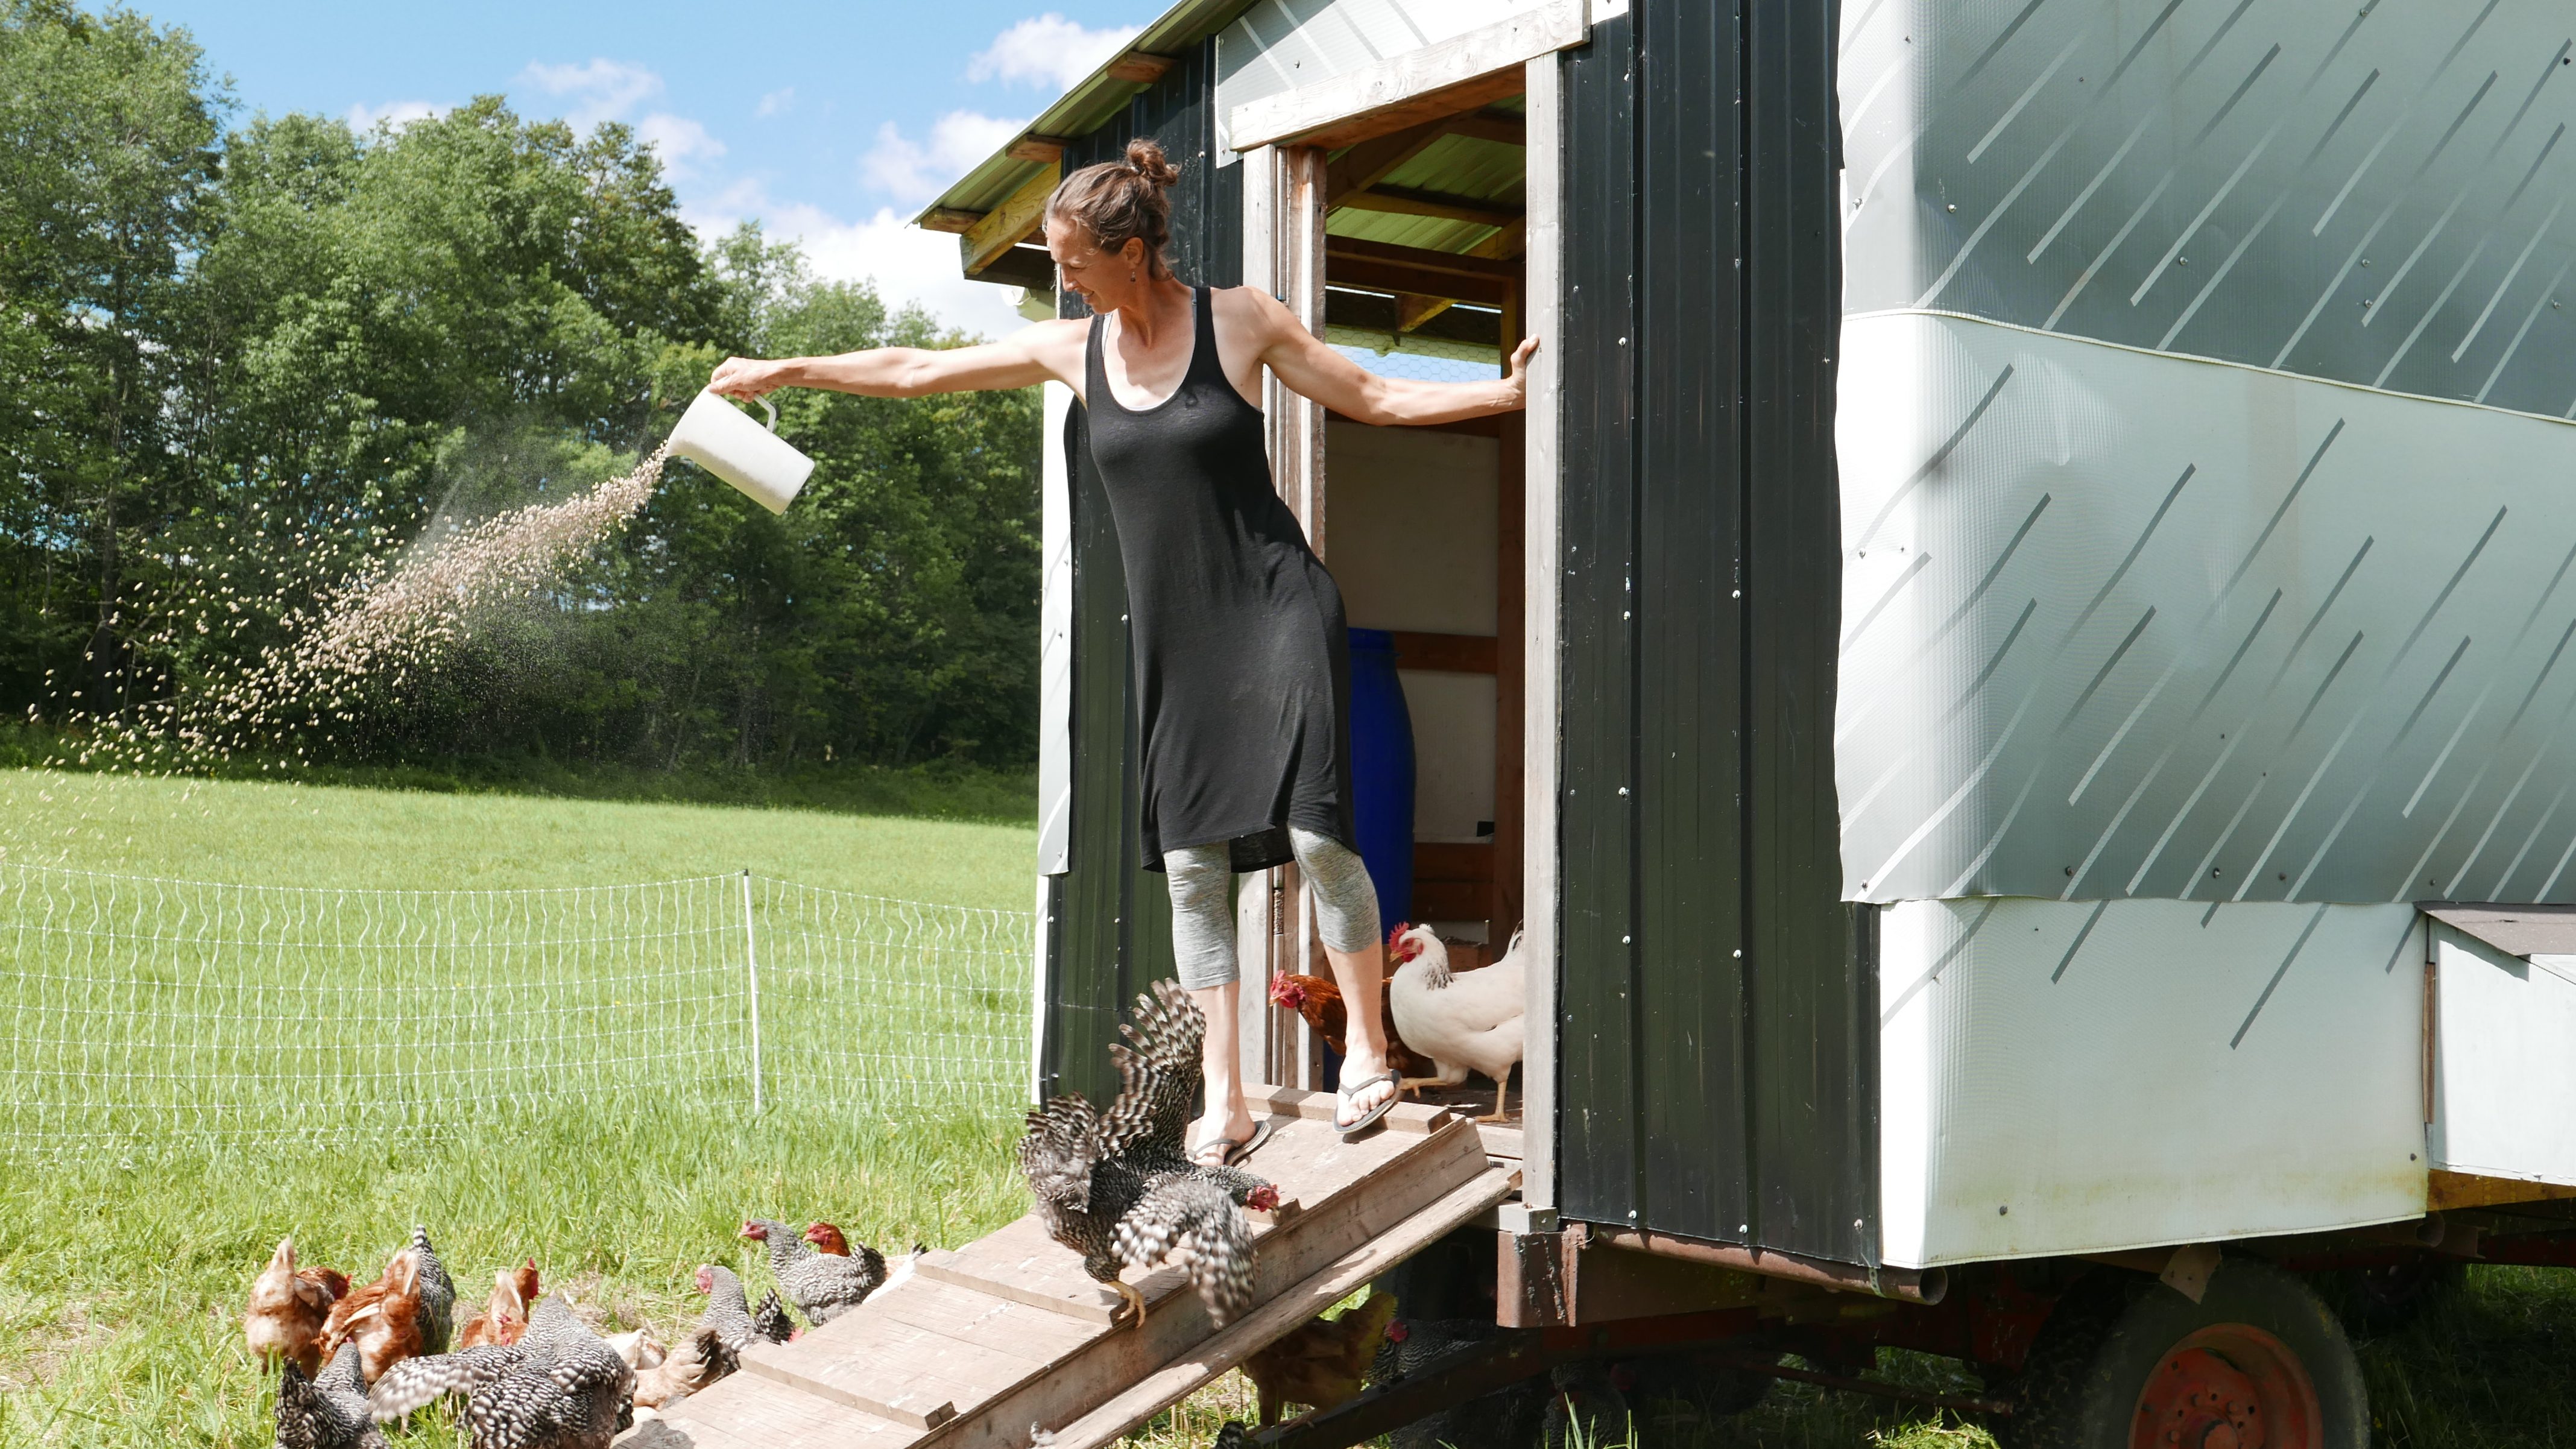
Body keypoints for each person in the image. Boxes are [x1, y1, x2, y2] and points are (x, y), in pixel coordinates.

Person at [709, 136, 1537, 1161]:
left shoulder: (1238, 320)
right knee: (1194, 869)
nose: (1061, 278)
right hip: (1181, 643)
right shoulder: (1075, 348)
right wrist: (786, 368)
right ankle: (1224, 1099)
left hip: (1278, 607)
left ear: (1133, 252)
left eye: (1072, 261)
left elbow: (1372, 397)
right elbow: (919, 369)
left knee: (1319, 839)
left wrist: (1503, 398)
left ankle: (1367, 1050)